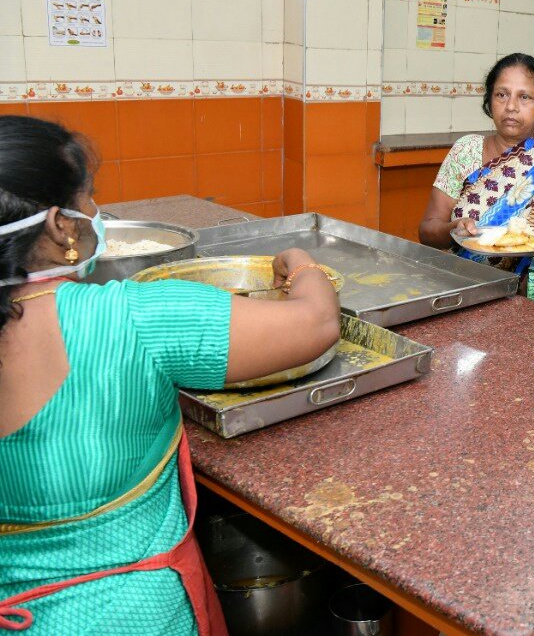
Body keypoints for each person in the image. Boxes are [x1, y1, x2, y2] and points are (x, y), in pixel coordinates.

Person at [0, 116, 340, 634]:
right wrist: (301, 263)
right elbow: (315, 324)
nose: (97, 214)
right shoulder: (130, 317)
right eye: (88, 199)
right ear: (59, 225)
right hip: (130, 614)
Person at [419, 53, 534, 272]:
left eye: (525, 97)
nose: (511, 106)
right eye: (501, 95)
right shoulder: (465, 151)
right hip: (466, 285)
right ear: (490, 102)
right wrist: (452, 231)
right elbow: (427, 231)